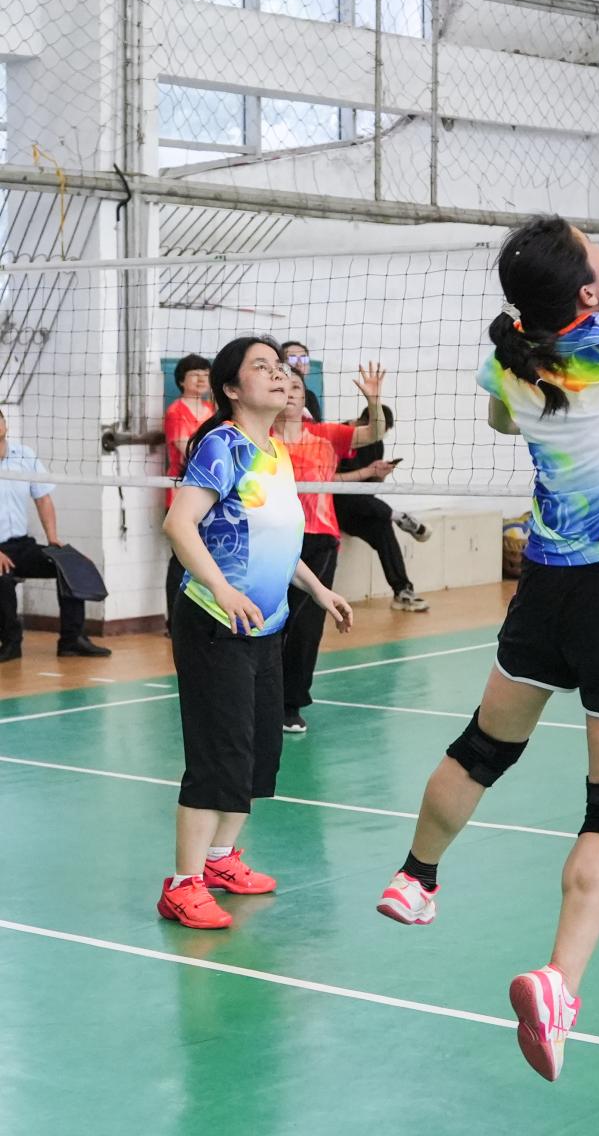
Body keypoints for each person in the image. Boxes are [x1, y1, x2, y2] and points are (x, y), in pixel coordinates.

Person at [375, 38, 599, 1082]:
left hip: (544, 586)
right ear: (588, 290)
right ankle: (558, 981)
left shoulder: (513, 366)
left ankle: (416, 875)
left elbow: (507, 417)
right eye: (597, 250)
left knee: (483, 748)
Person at [160, 336, 353, 929]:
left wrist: (317, 590)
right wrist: (222, 588)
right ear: (232, 389)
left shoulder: (275, 451)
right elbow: (179, 524)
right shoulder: (223, 445)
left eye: (281, 366)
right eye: (261, 367)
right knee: (219, 752)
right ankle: (182, 884)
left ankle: (220, 859)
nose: (279, 375)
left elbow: (278, 541)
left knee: (258, 749)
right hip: (215, 620)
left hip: (266, 623)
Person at [275, 363, 389, 732]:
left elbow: (374, 432)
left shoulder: (325, 436)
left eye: (296, 387)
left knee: (305, 625)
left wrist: (373, 402)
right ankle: (261, 695)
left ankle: (290, 703)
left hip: (318, 539)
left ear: (304, 397)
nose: (290, 392)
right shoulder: (259, 438)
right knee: (267, 622)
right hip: (271, 539)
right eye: (283, 386)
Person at [0, 409, 111, 662]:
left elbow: (43, 499)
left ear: (6, 425)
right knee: (2, 578)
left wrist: (52, 538)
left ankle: (72, 640)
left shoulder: (24, 455)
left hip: (21, 544)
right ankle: (10, 642)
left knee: (69, 565)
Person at [333, 412, 429, 612]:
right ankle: (398, 516)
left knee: (382, 527)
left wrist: (380, 476)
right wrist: (368, 472)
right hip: (335, 507)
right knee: (350, 495)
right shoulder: (338, 436)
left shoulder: (376, 443)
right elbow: (330, 480)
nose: (377, 437)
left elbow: (370, 488)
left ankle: (402, 591)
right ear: (363, 423)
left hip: (361, 508)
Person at [163, 354, 213, 628]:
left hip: (209, 493)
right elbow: (188, 450)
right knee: (182, 557)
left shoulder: (211, 411)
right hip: (181, 491)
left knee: (205, 555)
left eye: (205, 374)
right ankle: (175, 621)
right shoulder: (176, 411)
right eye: (195, 374)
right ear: (182, 380)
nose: (202, 379)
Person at [281, 339, 322, 421]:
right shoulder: (276, 394)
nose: (299, 364)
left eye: (304, 359)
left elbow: (317, 427)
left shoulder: (310, 397)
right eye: (292, 359)